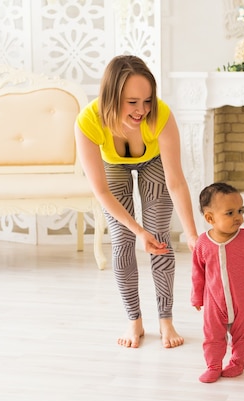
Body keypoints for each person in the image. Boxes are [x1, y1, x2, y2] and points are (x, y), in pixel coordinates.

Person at [74, 55, 199, 349]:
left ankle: (165, 320)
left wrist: (192, 234)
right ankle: (134, 321)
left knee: (159, 238)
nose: (142, 110)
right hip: (113, 167)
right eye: (132, 102)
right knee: (122, 241)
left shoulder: (160, 115)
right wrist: (136, 230)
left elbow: (176, 181)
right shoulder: (88, 121)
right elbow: (101, 192)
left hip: (153, 162)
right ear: (111, 97)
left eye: (147, 100)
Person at [191, 182, 244, 383]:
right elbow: (198, 272)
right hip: (214, 302)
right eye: (230, 213)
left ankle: (237, 363)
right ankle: (213, 365)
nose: (238, 217)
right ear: (210, 218)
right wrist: (197, 296)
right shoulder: (202, 244)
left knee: (243, 336)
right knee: (212, 336)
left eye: (240, 210)